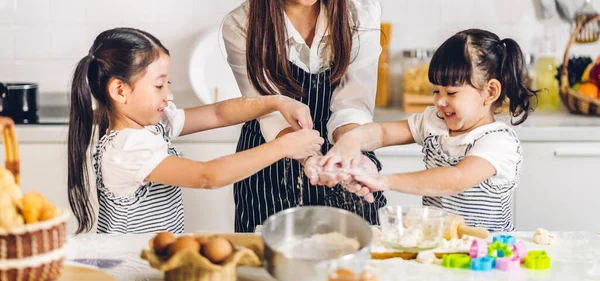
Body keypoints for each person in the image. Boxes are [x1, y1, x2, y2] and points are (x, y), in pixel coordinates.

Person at [67, 27, 323, 234]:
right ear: (120, 91)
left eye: (167, 83)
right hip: (131, 270)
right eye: (158, 86)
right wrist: (283, 147)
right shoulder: (126, 149)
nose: (168, 94)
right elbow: (207, 176)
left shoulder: (154, 125)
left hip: (152, 261)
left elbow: (217, 114)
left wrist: (276, 101)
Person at [317, 29, 539, 232]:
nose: (440, 101)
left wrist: (385, 181)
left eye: (451, 93)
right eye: (436, 91)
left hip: (486, 253)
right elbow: (384, 133)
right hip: (441, 246)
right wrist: (352, 140)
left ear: (490, 91)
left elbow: (456, 179)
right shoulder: (435, 121)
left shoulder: (498, 142)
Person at [222, 0, 387, 232]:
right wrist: (311, 158)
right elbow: (270, 112)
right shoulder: (242, 24)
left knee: (354, 258)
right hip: (271, 158)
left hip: (346, 151)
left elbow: (353, 103)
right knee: (270, 261)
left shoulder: (360, 13)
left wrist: (349, 152)